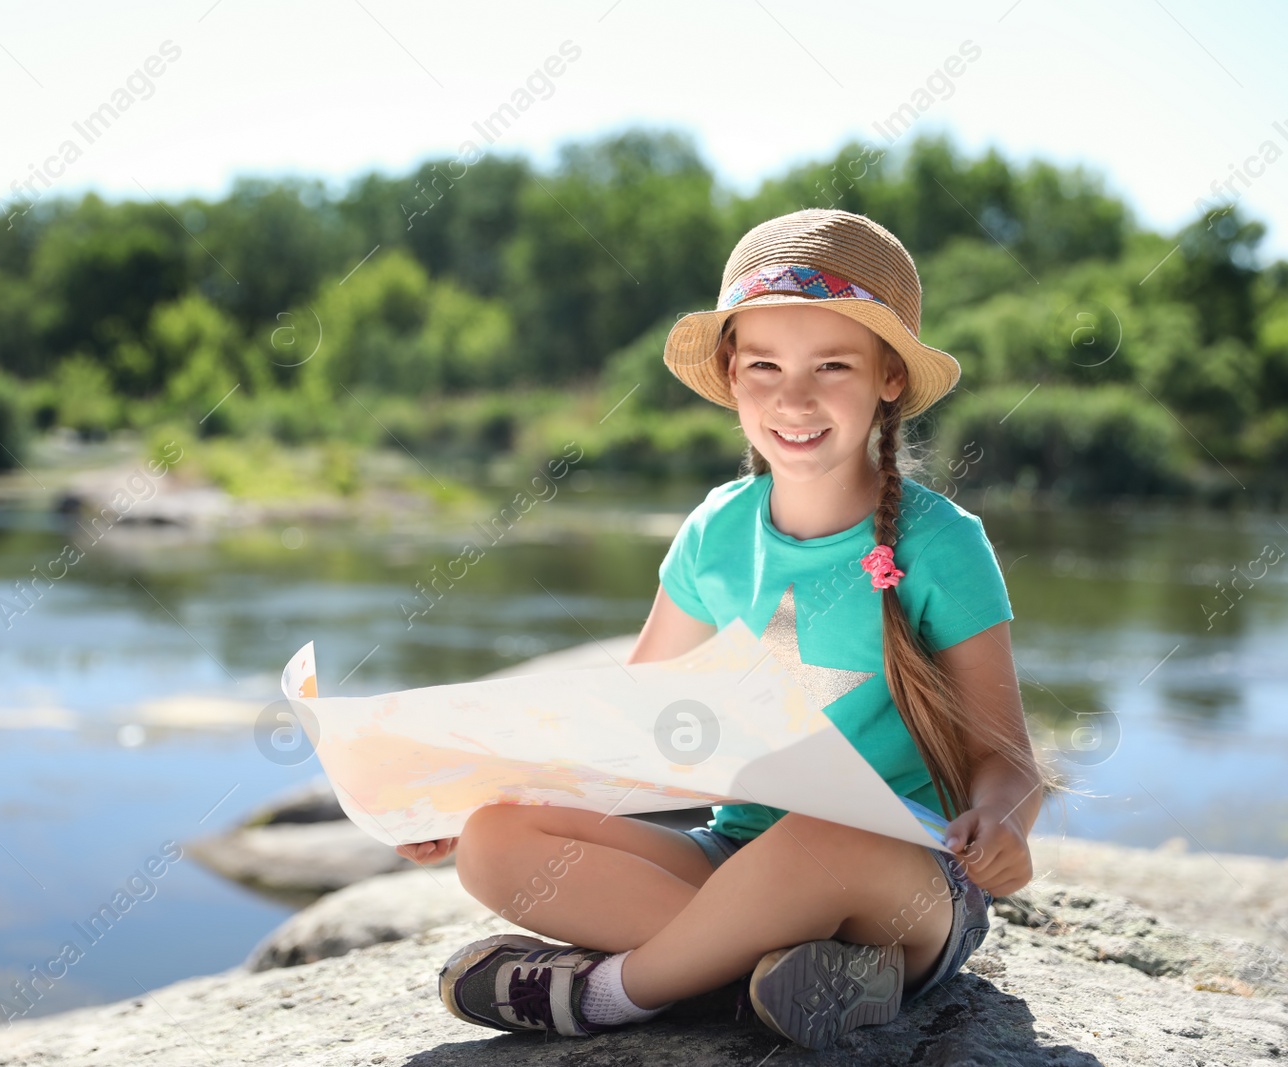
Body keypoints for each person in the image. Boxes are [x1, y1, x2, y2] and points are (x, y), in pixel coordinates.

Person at [407, 208, 1067, 1050]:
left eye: (832, 365)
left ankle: (614, 991)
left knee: (824, 837)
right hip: (732, 857)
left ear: (889, 377)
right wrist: (453, 799)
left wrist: (1002, 823)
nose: (794, 397)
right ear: (730, 373)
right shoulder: (717, 531)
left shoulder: (942, 545)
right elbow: (624, 723)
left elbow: (1006, 762)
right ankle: (785, 978)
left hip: (901, 885)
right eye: (764, 365)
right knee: (495, 842)